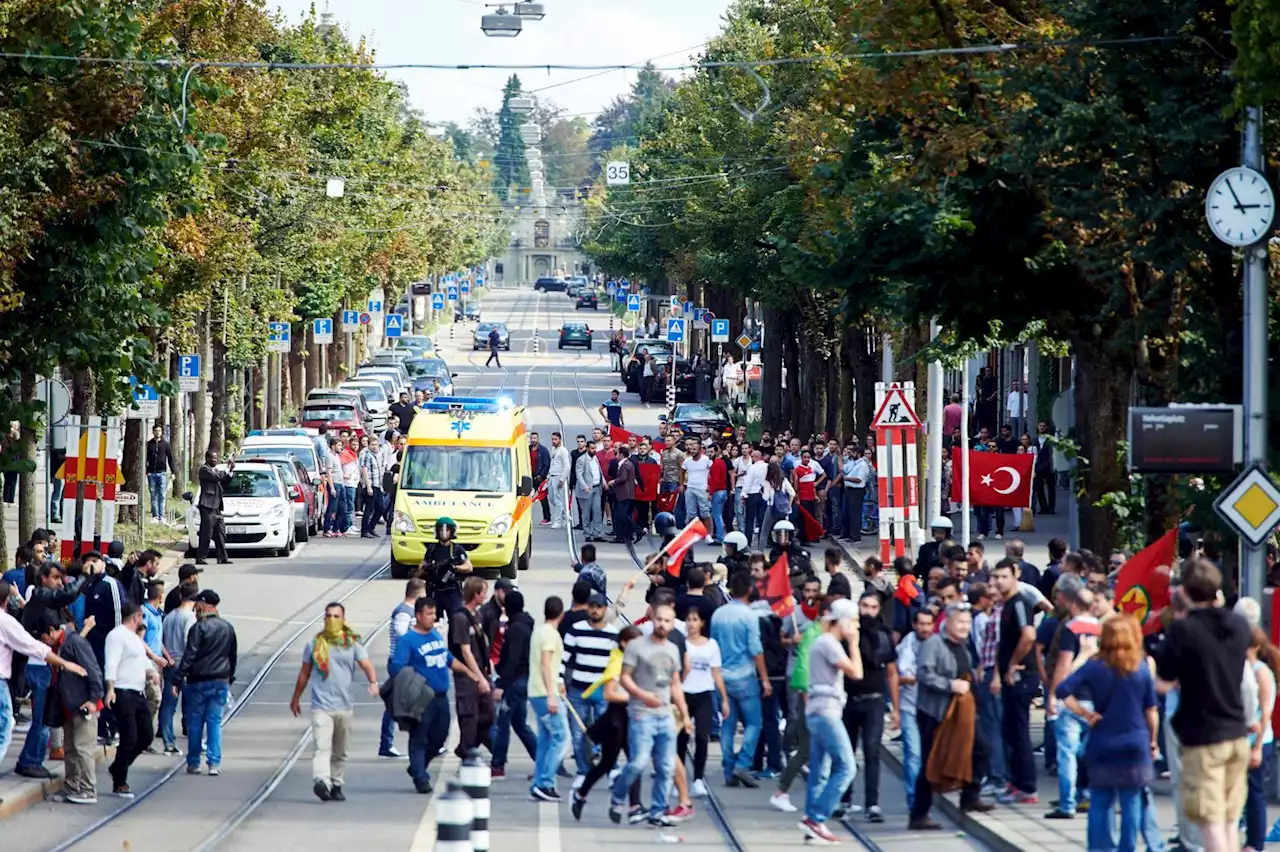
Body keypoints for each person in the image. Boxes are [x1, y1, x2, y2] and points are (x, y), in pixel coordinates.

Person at [1154, 560, 1251, 852]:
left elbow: (1163, 682)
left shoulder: (1183, 630)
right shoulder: (1239, 624)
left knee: (1209, 821)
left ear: (1184, 592)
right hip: (1237, 732)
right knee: (1230, 819)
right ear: (1218, 590)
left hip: (1203, 736)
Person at [1056, 616, 1158, 852]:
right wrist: (1152, 740)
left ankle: (1100, 848)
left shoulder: (1095, 666)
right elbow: (1151, 711)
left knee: (1101, 801)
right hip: (1135, 741)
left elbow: (1062, 689)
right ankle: (1128, 847)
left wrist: (1084, 713)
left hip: (1103, 741)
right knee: (1131, 801)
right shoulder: (1141, 668)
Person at [910, 603, 993, 829]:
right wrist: (949, 684)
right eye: (960, 622)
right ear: (947, 622)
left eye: (968, 622)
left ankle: (969, 796)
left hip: (961, 712)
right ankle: (919, 815)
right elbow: (924, 673)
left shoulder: (964, 645)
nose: (965, 627)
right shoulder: (933, 644)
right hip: (935, 712)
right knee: (932, 760)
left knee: (982, 748)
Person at [610, 601, 691, 828]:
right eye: (659, 620)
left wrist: (684, 714)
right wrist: (642, 695)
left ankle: (657, 811)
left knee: (666, 767)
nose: (663, 624)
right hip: (641, 713)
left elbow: (675, 684)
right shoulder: (636, 646)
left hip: (665, 714)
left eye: (667, 621)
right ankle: (618, 796)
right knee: (638, 762)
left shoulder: (673, 649)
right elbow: (625, 677)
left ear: (673, 624)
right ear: (652, 620)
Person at [289, 602, 380, 801]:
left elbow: (367, 665)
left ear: (343, 619)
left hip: (345, 706)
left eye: (336, 616)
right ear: (324, 619)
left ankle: (336, 783)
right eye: (328, 616)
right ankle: (322, 781)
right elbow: (304, 673)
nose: (332, 620)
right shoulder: (314, 645)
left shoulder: (352, 644)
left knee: (340, 750)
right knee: (322, 747)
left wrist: (373, 682)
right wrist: (296, 698)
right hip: (321, 706)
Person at [389, 596, 473, 794]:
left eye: (434, 614)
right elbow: (396, 667)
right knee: (419, 738)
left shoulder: (435, 635)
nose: (433, 618)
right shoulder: (408, 641)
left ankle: (417, 766)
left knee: (440, 737)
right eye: (429, 614)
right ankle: (421, 777)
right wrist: (414, 684)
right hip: (422, 697)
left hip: (441, 697)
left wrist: (469, 673)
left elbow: (448, 658)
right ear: (418, 616)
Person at [798, 597, 865, 845]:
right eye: (855, 621)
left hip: (819, 711)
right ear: (844, 620)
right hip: (826, 712)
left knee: (820, 770)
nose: (857, 626)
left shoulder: (822, 641)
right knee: (847, 766)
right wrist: (854, 644)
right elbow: (856, 673)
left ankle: (813, 823)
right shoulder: (829, 643)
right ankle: (815, 818)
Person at [0, 599, 88, 770]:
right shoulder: (13, 619)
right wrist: (65, 663)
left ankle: (31, 759)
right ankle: (31, 760)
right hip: (38, 668)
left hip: (33, 668)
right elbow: (34, 646)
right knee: (24, 724)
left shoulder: (30, 610)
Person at [571, 625, 645, 820]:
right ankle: (580, 794)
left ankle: (634, 806)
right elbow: (609, 693)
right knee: (607, 763)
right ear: (623, 643)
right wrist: (635, 697)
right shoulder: (616, 663)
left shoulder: (633, 661)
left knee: (635, 762)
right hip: (615, 721)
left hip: (630, 718)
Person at [839, 591, 899, 823]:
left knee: (872, 752)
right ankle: (845, 800)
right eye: (864, 606)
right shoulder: (848, 634)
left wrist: (895, 709)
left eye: (873, 607)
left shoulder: (884, 636)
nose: (868, 611)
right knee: (846, 753)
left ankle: (872, 803)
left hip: (874, 701)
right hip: (848, 701)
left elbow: (892, 673)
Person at [37, 608, 102, 805]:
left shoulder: (75, 643)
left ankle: (88, 789)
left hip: (83, 704)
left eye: (43, 639)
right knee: (71, 749)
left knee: (83, 749)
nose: (43, 644)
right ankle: (72, 786)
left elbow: (94, 672)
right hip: (68, 705)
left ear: (51, 631)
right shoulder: (61, 644)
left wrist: (93, 700)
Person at [711, 571, 770, 788]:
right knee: (754, 723)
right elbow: (756, 649)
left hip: (722, 677)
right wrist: (764, 679)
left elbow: (713, 646)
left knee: (728, 723)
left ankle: (728, 769)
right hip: (745, 677)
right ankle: (743, 764)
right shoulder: (749, 616)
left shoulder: (718, 614)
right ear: (749, 590)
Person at [991, 557, 1040, 804]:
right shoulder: (1005, 604)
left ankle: (1027, 787)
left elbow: (1029, 636)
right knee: (1010, 730)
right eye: (996, 577)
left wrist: (1011, 665)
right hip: (1011, 678)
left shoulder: (1019, 603)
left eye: (1004, 577)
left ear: (1015, 576)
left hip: (1022, 677)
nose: (999, 582)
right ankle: (1015, 782)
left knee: (1019, 731)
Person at [104, 601, 165, 797]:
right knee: (129, 736)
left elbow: (140, 660)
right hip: (122, 691)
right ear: (136, 616)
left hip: (138, 691)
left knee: (146, 734)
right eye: (141, 617)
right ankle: (120, 781)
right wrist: (110, 689)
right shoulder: (116, 636)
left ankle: (118, 766)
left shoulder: (134, 638)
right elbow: (111, 663)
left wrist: (151, 672)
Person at [177, 590, 237, 776]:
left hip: (198, 681)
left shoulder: (199, 628)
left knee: (195, 722)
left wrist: (178, 677)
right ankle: (214, 763)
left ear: (204, 605)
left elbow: (190, 655)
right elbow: (232, 656)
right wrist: (230, 676)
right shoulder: (227, 627)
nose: (196, 607)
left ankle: (194, 762)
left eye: (198, 604)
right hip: (220, 680)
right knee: (214, 722)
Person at [563, 590, 619, 786]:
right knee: (578, 732)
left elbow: (617, 662)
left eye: (599, 607)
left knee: (608, 732)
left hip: (602, 689)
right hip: (578, 689)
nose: (595, 611)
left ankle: (611, 767)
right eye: (592, 606)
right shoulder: (575, 630)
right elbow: (565, 659)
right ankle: (583, 770)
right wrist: (560, 681)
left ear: (605, 609)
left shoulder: (614, 634)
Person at [491, 590, 537, 780]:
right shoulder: (525, 623)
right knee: (519, 724)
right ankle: (544, 762)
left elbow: (512, 659)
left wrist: (502, 685)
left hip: (515, 681)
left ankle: (497, 766)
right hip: (523, 679)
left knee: (502, 722)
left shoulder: (516, 628)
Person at [682, 606, 727, 798]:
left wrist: (724, 699)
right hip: (683, 694)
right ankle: (679, 779)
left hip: (704, 694)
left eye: (695, 619)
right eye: (689, 619)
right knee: (680, 739)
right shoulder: (680, 643)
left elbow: (716, 673)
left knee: (702, 737)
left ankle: (698, 779)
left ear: (702, 623)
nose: (691, 624)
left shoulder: (711, 645)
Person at [528, 595, 569, 802]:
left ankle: (539, 782)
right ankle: (546, 782)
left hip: (536, 691)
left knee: (545, 739)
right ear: (561, 614)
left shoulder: (539, 631)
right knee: (562, 737)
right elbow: (546, 663)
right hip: (546, 693)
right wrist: (552, 694)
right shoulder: (551, 635)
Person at [379, 579, 424, 759]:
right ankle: (386, 744)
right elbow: (401, 632)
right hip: (401, 664)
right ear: (418, 593)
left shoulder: (409, 611)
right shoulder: (404, 612)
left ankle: (427, 741)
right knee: (395, 706)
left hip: (408, 664)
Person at [449, 577, 493, 757]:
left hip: (482, 671)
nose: (485, 595)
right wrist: (479, 678)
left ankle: (467, 747)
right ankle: (467, 751)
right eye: (483, 592)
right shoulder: (460, 617)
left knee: (488, 714)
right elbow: (465, 652)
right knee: (469, 716)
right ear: (475, 594)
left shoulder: (478, 615)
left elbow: (483, 643)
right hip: (467, 677)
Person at [159, 582, 197, 755]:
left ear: (181, 596)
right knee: (190, 704)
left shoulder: (169, 617)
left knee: (168, 704)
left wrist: (168, 657)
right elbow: (189, 643)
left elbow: (162, 640)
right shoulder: (189, 617)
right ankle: (194, 739)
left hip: (170, 663)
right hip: (184, 664)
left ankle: (168, 740)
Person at [418, 517, 472, 619]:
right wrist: (427, 568)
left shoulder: (457, 549)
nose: (444, 533)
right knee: (431, 620)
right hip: (435, 590)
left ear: (452, 531)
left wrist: (455, 568)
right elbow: (421, 567)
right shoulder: (432, 549)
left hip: (452, 590)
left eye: (447, 530)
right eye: (441, 530)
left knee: (456, 620)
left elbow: (469, 566)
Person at [195, 451, 233, 565]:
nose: (216, 460)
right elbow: (216, 477)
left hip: (217, 507)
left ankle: (222, 558)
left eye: (217, 458)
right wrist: (226, 468)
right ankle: (201, 557)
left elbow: (225, 481)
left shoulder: (216, 470)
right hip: (207, 506)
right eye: (213, 458)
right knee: (206, 533)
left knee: (221, 533)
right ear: (207, 458)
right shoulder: (204, 470)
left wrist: (230, 471)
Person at [575, 439, 605, 542]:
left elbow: (599, 471)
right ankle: (587, 534)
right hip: (586, 490)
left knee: (597, 511)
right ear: (587, 449)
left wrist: (603, 482)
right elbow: (578, 474)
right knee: (586, 513)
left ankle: (597, 533)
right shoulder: (581, 459)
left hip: (597, 488)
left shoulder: (595, 458)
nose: (594, 450)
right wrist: (584, 486)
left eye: (595, 448)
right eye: (592, 448)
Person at [146, 424, 176, 522]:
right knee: (153, 495)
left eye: (159, 430)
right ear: (153, 432)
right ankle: (155, 516)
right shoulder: (149, 444)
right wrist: (147, 471)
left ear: (161, 432)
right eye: (156, 430)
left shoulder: (165, 444)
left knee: (162, 495)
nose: (157, 432)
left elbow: (170, 459)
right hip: (151, 473)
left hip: (162, 473)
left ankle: (162, 516)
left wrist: (173, 472)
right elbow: (145, 458)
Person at [358, 435, 385, 539]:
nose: (374, 447)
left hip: (378, 485)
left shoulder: (377, 455)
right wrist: (368, 486)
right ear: (368, 445)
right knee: (369, 509)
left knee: (381, 508)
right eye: (372, 445)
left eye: (376, 444)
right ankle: (364, 531)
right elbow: (364, 470)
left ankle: (371, 528)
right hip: (370, 485)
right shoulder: (366, 455)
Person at [531, 432, 552, 526]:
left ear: (538, 439)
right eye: (531, 438)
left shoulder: (543, 450)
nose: (533, 440)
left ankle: (547, 518)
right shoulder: (528, 449)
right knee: (526, 499)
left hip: (540, 478)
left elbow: (547, 464)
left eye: (534, 438)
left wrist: (542, 475)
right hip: (530, 477)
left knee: (543, 499)